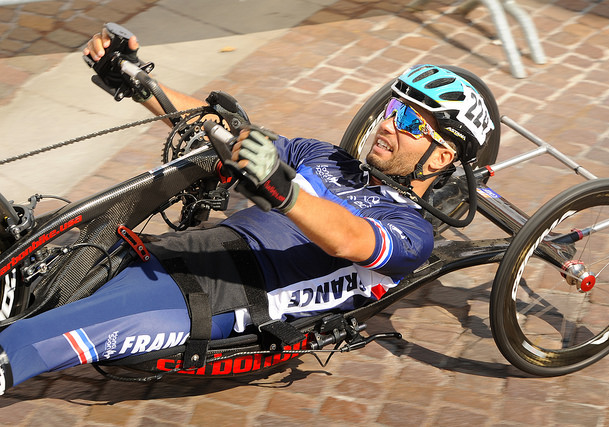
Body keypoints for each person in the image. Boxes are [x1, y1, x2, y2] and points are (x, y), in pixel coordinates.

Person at [0, 26, 494, 395]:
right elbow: (226, 132)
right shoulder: (326, 157)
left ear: (444, 155)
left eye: (408, 120)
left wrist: (284, 191)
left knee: (25, 342)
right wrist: (135, 80)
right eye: (391, 109)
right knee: (19, 251)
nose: (386, 124)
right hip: (171, 253)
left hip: (212, 300)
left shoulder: (411, 232)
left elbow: (347, 240)